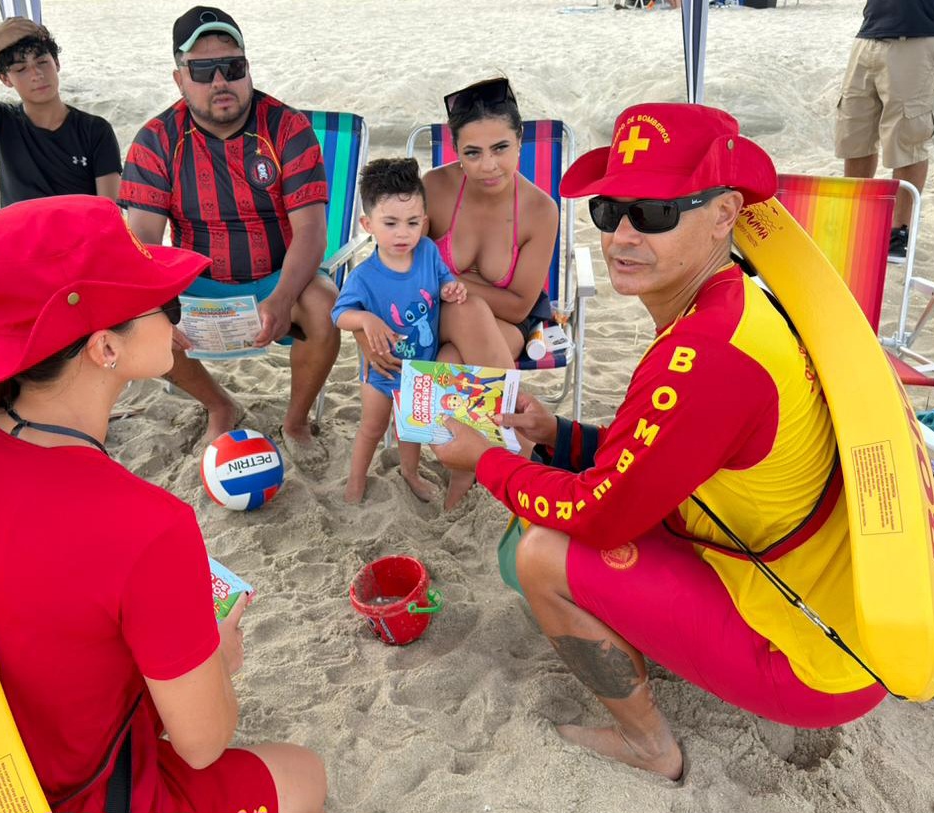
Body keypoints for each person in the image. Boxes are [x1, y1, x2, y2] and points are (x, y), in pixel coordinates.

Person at [432, 103, 888, 782]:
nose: (621, 234)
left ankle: (650, 745)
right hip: (814, 584)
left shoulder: (707, 355)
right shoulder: (735, 301)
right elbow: (661, 457)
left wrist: (486, 459)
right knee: (547, 519)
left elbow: (601, 511)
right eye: (610, 208)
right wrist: (557, 433)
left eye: (654, 213)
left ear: (725, 213)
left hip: (812, 651)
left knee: (539, 553)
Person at [0, 196, 326, 813]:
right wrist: (220, 657)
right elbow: (203, 742)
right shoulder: (149, 527)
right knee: (303, 774)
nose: (177, 327)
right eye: (165, 305)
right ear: (105, 349)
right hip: (88, 790)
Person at [120, 6, 338, 454]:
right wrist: (158, 304)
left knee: (324, 304)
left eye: (232, 66)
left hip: (279, 284)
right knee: (136, 316)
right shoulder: (156, 140)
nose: (220, 80)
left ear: (247, 69)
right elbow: (141, 243)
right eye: (202, 69)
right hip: (196, 288)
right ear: (179, 79)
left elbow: (313, 232)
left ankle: (295, 424)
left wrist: (280, 298)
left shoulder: (287, 128)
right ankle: (219, 404)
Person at [331, 158, 469, 504]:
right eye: (390, 223)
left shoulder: (426, 252)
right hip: (382, 371)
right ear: (368, 224)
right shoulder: (364, 276)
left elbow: (443, 282)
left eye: (412, 222)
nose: (402, 233)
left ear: (424, 222)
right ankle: (355, 481)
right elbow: (339, 314)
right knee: (372, 428)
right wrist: (365, 320)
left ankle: (410, 472)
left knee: (412, 428)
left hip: (421, 368)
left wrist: (452, 289)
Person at [422, 78, 561, 361]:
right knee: (467, 311)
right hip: (434, 315)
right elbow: (406, 265)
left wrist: (442, 278)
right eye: (472, 153)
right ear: (456, 149)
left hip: (507, 324)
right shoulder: (435, 187)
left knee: (451, 357)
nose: (488, 166)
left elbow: (519, 307)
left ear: (520, 140)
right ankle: (507, 406)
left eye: (500, 148)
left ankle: (426, 407)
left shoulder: (539, 210)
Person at [0, 18, 122, 208]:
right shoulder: (3, 121)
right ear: (5, 79)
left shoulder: (94, 130)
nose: (36, 74)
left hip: (79, 235)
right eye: (21, 69)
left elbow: (109, 211)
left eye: (43, 62)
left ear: (57, 63)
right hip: (20, 234)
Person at [835, 0, 934, 260]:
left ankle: (899, 231)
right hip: (870, 32)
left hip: (920, 35)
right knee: (855, 133)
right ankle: (855, 219)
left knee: (908, 137)